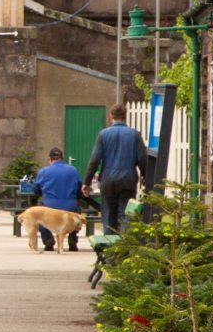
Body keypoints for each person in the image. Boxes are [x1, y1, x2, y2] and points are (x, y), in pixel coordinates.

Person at [82, 103, 148, 234]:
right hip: (128, 179)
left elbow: (94, 160)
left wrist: (87, 182)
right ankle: (123, 246)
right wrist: (146, 179)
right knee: (125, 214)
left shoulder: (103, 134)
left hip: (108, 180)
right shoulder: (135, 135)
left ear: (111, 116)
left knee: (108, 214)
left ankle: (109, 247)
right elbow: (142, 160)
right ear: (125, 116)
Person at [31, 147, 82, 252]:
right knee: (75, 215)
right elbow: (79, 189)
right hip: (70, 206)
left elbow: (36, 190)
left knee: (40, 216)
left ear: (49, 159)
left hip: (50, 206)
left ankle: (48, 240)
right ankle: (72, 239)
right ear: (62, 158)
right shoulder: (73, 170)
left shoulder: (44, 171)